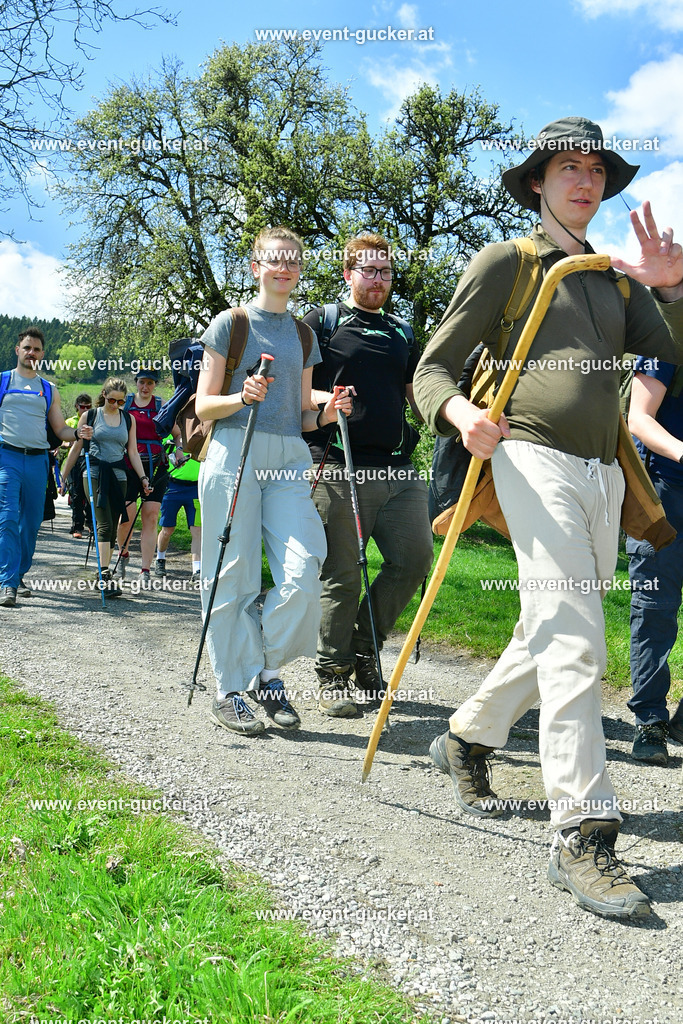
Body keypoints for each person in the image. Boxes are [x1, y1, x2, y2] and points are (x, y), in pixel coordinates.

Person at [413, 116, 683, 920]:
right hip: (525, 455)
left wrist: (667, 286)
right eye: (567, 167)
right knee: (574, 637)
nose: (584, 180)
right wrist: (459, 414)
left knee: (548, 629)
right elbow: (431, 368)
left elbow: (671, 351)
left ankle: (465, 734)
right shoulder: (509, 261)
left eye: (595, 170)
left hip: (607, 471)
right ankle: (581, 828)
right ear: (537, 181)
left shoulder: (615, 279)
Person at [195, 225, 352, 736]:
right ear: (255, 266)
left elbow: (302, 414)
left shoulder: (303, 335)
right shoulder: (230, 323)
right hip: (234, 447)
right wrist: (242, 395)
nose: (284, 268)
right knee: (233, 574)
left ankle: (264, 666)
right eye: (274, 259)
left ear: (300, 269)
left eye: (293, 260)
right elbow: (204, 405)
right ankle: (231, 689)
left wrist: (329, 411)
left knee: (306, 565)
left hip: (287, 455)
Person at [302, 233, 433, 716]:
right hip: (338, 465)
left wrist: (452, 420)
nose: (378, 280)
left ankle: (363, 643)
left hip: (400, 469)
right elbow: (298, 393)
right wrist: (326, 403)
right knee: (342, 575)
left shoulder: (402, 331)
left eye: (385, 273)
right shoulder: (321, 323)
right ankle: (332, 673)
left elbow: (415, 393)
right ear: (348, 274)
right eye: (369, 271)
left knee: (415, 560)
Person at [0, 328, 93, 607]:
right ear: (18, 350)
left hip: (38, 460)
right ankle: (7, 582)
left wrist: (78, 433)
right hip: (7, 458)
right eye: (27, 347)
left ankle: (17, 574)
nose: (32, 353)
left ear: (42, 354)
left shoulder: (48, 388)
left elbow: (60, 428)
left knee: (30, 523)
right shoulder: (3, 381)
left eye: (37, 349)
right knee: (6, 518)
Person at [626, 358, 683, 765]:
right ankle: (650, 721)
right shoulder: (667, 341)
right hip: (664, 494)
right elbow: (639, 418)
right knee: (655, 609)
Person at [61, 378, 152, 595]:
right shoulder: (90, 415)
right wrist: (64, 475)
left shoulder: (129, 419)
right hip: (93, 473)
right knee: (103, 524)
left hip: (119, 475)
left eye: (121, 402)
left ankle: (103, 574)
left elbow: (132, 452)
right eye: (112, 400)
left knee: (112, 527)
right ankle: (104, 575)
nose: (115, 405)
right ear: (104, 395)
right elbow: (76, 448)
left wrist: (143, 478)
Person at [116, 370, 182, 587]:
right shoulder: (125, 403)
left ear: (155, 385)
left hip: (157, 465)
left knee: (151, 516)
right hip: (128, 463)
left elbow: (176, 432)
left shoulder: (161, 405)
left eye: (150, 383)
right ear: (136, 383)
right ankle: (123, 554)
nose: (145, 387)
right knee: (126, 516)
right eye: (142, 382)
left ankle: (145, 569)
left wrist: (178, 451)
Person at [154, 446, 201, 581]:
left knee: (197, 530)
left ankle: (197, 569)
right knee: (167, 529)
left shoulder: (200, 435)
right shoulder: (173, 435)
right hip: (172, 487)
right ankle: (160, 559)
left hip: (195, 488)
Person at [64, 392, 93, 537]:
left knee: (89, 493)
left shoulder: (92, 420)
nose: (86, 410)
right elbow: (62, 438)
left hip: (88, 459)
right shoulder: (70, 421)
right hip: (74, 460)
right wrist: (67, 442)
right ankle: (77, 527)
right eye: (83, 407)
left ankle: (90, 523)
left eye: (89, 407)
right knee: (76, 494)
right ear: (77, 406)